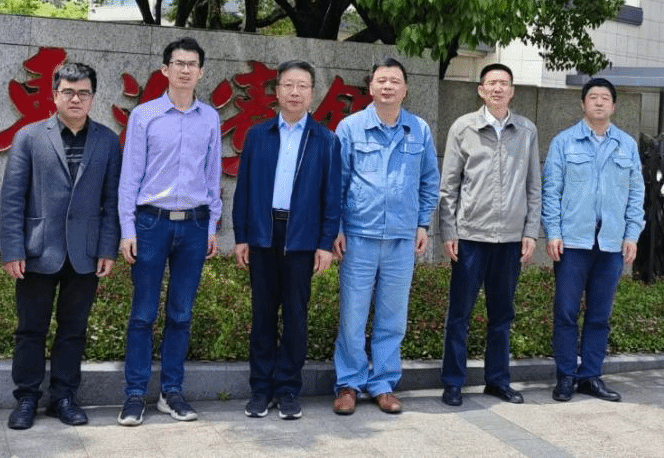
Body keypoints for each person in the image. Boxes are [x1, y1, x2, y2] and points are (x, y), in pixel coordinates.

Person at [0, 62, 122, 430]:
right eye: (68, 92)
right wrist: (13, 250)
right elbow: (12, 198)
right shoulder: (29, 137)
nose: (76, 99)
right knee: (30, 329)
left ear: (93, 97)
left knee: (73, 330)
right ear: (55, 95)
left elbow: (112, 200)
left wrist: (108, 248)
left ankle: (64, 397)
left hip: (85, 253)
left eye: (83, 93)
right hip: (38, 251)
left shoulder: (107, 140)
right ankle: (26, 398)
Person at [116, 37, 222, 426]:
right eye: (179, 63)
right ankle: (134, 394)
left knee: (181, 313)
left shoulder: (209, 118)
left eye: (192, 64)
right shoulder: (144, 116)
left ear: (201, 72)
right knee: (143, 313)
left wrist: (211, 225)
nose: (185, 70)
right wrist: (128, 228)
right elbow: (130, 176)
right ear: (165, 69)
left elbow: (212, 175)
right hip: (151, 223)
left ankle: (171, 392)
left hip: (194, 224)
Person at [232, 60, 341, 421]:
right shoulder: (258, 135)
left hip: (302, 237)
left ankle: (288, 389)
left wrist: (325, 243)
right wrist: (242, 236)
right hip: (263, 233)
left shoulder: (326, 140)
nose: (295, 92)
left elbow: (332, 198)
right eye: (289, 85)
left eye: (302, 86)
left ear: (312, 93)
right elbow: (244, 189)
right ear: (277, 91)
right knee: (263, 314)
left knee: (295, 315)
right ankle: (261, 389)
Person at [332, 58, 439, 416]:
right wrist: (337, 228)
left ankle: (383, 384)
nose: (388, 86)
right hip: (359, 236)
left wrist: (422, 224)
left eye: (395, 81)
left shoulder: (419, 130)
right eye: (382, 80)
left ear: (405, 89)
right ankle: (348, 383)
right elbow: (337, 182)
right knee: (352, 316)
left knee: (393, 318)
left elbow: (429, 180)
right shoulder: (350, 128)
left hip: (401, 239)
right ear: (371, 87)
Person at [437, 63, 541, 407]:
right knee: (460, 314)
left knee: (501, 316)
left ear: (512, 91)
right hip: (470, 237)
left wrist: (531, 232)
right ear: (481, 90)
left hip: (510, 240)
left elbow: (533, 186)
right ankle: (453, 382)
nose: (498, 88)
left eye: (504, 83)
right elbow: (449, 185)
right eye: (492, 83)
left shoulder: (526, 130)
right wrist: (449, 230)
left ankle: (497, 381)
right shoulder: (463, 127)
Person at [543, 77, 645, 403]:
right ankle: (565, 376)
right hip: (573, 242)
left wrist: (632, 235)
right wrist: (553, 232)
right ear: (583, 104)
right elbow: (551, 191)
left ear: (613, 106)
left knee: (600, 315)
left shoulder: (626, 145)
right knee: (566, 312)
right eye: (593, 97)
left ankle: (590, 375)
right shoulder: (564, 142)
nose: (599, 102)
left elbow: (636, 194)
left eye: (605, 98)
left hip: (611, 243)